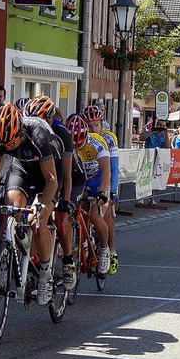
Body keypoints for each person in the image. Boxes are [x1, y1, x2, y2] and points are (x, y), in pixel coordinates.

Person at [0, 104, 64, 306]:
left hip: (48, 175)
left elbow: (51, 180)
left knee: (37, 221)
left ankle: (45, 274)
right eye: (5, 143)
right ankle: (6, 263)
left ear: (21, 131)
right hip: (22, 169)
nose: (9, 146)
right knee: (10, 210)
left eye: (12, 142)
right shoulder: (0, 140)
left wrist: (42, 205)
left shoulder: (38, 135)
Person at [25, 96, 77, 289]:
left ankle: (68, 261)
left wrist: (65, 199)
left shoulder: (61, 133)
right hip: (43, 172)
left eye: (38, 119)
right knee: (30, 217)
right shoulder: (30, 131)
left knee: (58, 216)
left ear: (49, 119)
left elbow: (66, 173)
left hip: (65, 174)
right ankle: (33, 262)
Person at [66, 113, 111, 278]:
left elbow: (106, 169)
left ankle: (105, 249)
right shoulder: (64, 142)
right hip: (79, 181)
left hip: (96, 180)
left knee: (95, 216)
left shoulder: (97, 143)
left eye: (80, 144)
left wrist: (102, 192)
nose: (77, 148)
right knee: (69, 212)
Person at [82, 105, 120, 274]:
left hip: (102, 180)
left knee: (103, 215)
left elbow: (112, 167)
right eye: (89, 125)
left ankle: (110, 251)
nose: (93, 128)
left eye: (96, 125)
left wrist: (112, 192)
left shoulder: (109, 139)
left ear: (101, 124)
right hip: (84, 181)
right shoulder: (80, 137)